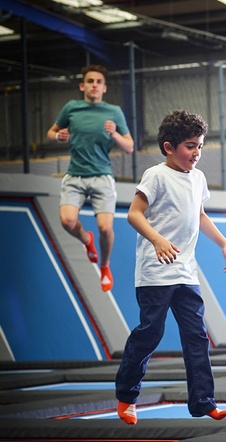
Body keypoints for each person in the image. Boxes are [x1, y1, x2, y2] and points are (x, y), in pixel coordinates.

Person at [114, 110, 226, 425]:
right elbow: (135, 214)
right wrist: (157, 240)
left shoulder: (197, 178)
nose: (196, 153)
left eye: (200, 146)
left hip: (185, 272)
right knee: (150, 333)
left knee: (197, 337)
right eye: (190, 146)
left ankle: (203, 402)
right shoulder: (156, 175)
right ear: (169, 147)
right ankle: (127, 395)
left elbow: (200, 216)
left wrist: (223, 244)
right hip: (155, 272)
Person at [47, 64, 134, 292]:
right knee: (67, 221)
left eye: (98, 82)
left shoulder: (113, 112)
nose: (94, 85)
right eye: (90, 81)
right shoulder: (72, 108)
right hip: (75, 175)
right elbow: (51, 132)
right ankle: (86, 239)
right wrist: (58, 136)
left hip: (102, 176)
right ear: (82, 85)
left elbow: (130, 147)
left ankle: (104, 266)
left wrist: (114, 133)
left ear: (104, 88)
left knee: (105, 229)